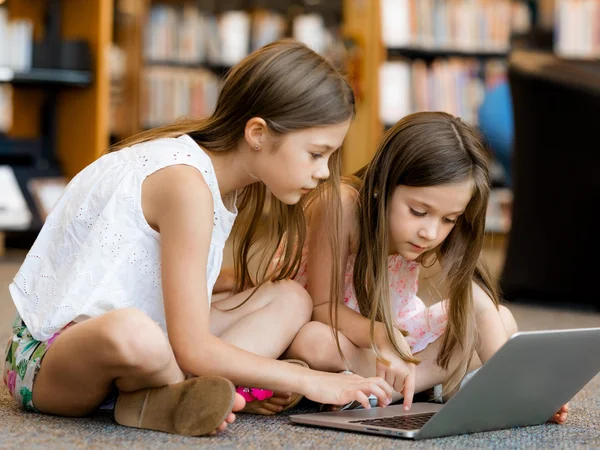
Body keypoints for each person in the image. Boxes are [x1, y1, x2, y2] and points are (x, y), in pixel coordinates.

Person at [2, 39, 393, 437]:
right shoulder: (185, 184)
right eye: (315, 154)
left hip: (145, 354)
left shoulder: (217, 180)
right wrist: (314, 381)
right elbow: (191, 345)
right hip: (45, 361)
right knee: (134, 332)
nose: (324, 172)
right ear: (257, 132)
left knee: (291, 298)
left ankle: (166, 396)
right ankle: (196, 390)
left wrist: (235, 282)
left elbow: (149, 275)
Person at [274, 111, 568, 424]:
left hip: (395, 341)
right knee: (313, 340)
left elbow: (471, 302)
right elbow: (322, 307)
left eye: (448, 219)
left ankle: (419, 389)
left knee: (499, 318)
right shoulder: (342, 205)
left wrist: (524, 393)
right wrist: (383, 336)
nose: (431, 233)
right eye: (418, 211)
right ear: (384, 184)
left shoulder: (429, 231)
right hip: (344, 335)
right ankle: (423, 385)